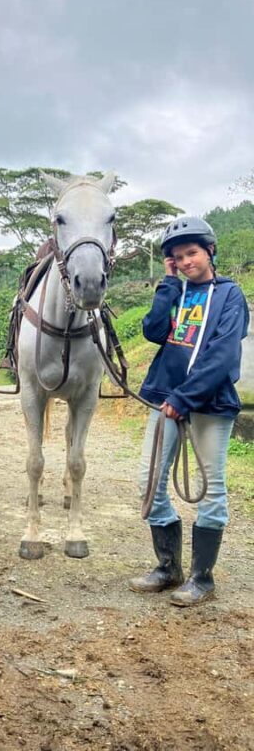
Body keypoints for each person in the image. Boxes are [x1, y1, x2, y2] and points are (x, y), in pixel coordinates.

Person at [129, 216, 249, 607]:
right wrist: (167, 284)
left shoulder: (230, 296)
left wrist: (185, 398)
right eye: (177, 257)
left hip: (209, 404)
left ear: (210, 251)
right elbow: (153, 330)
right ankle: (168, 568)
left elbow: (223, 355)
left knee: (211, 488)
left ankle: (202, 577)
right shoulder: (176, 290)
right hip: (165, 399)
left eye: (191, 253)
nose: (185, 262)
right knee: (150, 481)